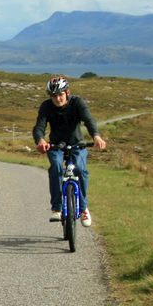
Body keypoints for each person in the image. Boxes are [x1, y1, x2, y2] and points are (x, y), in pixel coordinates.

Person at [32, 76, 106, 227]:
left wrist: (96, 136)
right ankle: (57, 208)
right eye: (54, 96)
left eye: (60, 95)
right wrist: (41, 140)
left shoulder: (77, 103)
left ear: (67, 92)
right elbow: (39, 127)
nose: (57, 99)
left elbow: (89, 120)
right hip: (55, 146)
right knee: (56, 168)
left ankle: (84, 207)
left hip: (77, 144)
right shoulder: (46, 106)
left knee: (80, 169)